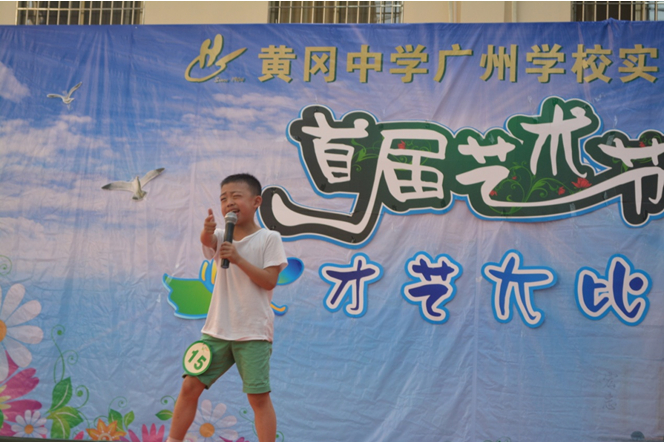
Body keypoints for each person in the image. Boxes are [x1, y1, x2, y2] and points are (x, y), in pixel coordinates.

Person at [167, 173, 288, 442]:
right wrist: (207, 230)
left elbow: (269, 281)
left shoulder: (269, 238)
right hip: (217, 331)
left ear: (256, 201)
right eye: (223, 199)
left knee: (258, 398)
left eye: (236, 196)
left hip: (252, 332)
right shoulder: (222, 235)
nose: (229, 203)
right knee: (190, 386)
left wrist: (238, 259)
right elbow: (207, 241)